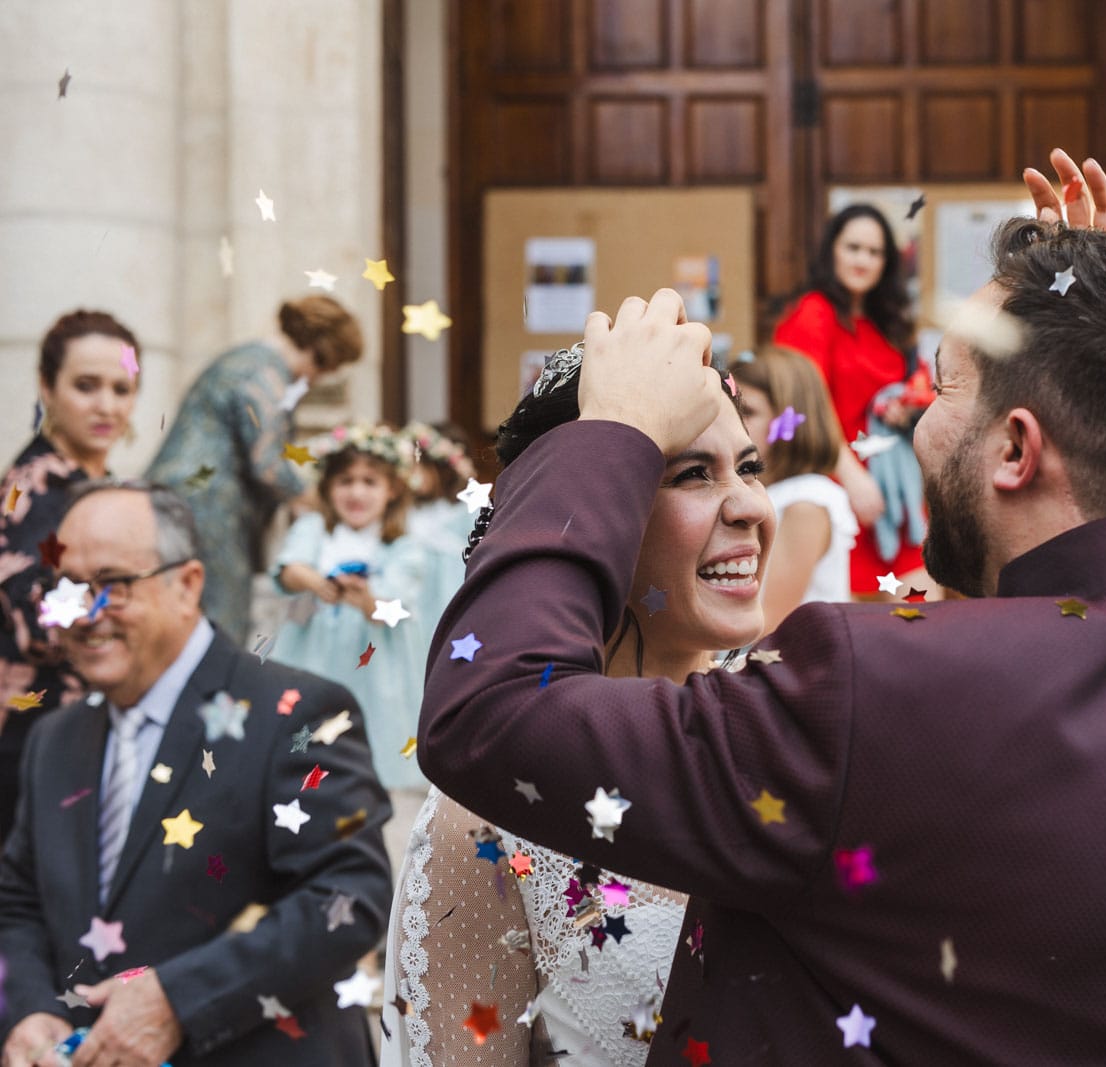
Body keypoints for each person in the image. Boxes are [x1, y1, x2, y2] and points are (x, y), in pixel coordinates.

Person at [417, 151, 1106, 1063]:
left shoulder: (866, 689)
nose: (919, 415)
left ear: (1014, 448)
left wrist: (614, 433)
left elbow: (491, 711)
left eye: (943, 385)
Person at [382, 347, 773, 1066]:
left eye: (749, 467)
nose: (749, 506)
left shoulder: (798, 731)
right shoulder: (489, 819)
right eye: (693, 474)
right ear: (595, 514)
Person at [0, 481, 391, 1066]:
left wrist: (175, 1001)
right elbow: (19, 900)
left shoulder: (297, 712)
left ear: (187, 585)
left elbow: (348, 898)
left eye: (112, 584)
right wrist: (34, 1010)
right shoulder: (54, 739)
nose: (86, 613)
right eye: (69, 588)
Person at [147, 295, 363, 644]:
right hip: (209, 507)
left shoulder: (244, 360)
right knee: (219, 620)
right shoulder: (267, 373)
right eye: (327, 369)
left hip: (174, 501)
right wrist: (321, 503)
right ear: (322, 353)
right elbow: (269, 465)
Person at [0, 311, 141, 846]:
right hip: (34, 734)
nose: (107, 405)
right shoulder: (39, 484)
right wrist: (124, 598)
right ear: (47, 387)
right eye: (86, 386)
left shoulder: (93, 484)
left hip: (82, 732)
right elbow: (32, 619)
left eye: (121, 388)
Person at [775, 204, 929, 597]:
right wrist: (852, 478)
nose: (863, 259)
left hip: (897, 495)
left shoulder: (889, 322)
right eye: (853, 247)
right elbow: (800, 406)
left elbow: (920, 382)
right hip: (841, 492)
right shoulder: (813, 314)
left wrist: (904, 405)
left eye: (875, 252)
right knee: (855, 629)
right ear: (832, 251)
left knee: (920, 614)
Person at [270, 424, 429, 798]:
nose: (356, 492)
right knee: (307, 737)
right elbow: (289, 569)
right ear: (327, 488)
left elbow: (392, 609)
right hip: (313, 657)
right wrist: (317, 583)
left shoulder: (403, 547)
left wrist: (365, 599)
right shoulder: (314, 530)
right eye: (345, 481)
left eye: (369, 482)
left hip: (374, 667)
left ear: (392, 490)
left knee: (370, 746)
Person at [729, 347, 857, 627]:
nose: (735, 423)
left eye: (748, 412)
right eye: (731, 409)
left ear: (790, 423)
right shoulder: (759, 491)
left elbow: (772, 620)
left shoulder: (806, 501)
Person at [398, 421, 477, 645]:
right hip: (411, 597)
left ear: (443, 468)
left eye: (420, 465)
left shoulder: (466, 509)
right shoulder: (405, 509)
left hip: (448, 595)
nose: (413, 473)